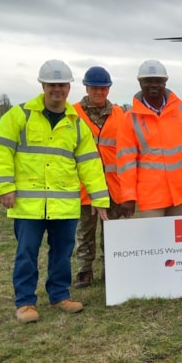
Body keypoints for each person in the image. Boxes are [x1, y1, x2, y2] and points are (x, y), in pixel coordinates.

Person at [0, 60, 109, 323]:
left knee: (62, 253)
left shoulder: (76, 123)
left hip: (64, 204)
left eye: (62, 85)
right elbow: (0, 152)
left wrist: (99, 199)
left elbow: (90, 164)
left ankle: (59, 295)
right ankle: (25, 303)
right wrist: (5, 186)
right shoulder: (19, 116)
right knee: (27, 253)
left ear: (68, 87)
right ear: (43, 85)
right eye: (52, 85)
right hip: (28, 205)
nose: (58, 90)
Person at [117, 60, 182, 218]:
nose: (154, 85)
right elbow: (126, 162)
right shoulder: (130, 119)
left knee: (180, 241)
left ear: (165, 82)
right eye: (148, 81)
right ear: (140, 83)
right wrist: (128, 196)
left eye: (159, 81)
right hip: (151, 197)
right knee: (154, 241)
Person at [73, 66, 126, 288]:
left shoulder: (119, 114)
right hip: (84, 184)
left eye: (103, 88)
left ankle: (110, 268)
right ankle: (84, 271)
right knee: (85, 230)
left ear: (109, 89)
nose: (99, 92)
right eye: (95, 88)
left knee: (112, 230)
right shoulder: (73, 112)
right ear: (86, 87)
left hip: (112, 185)